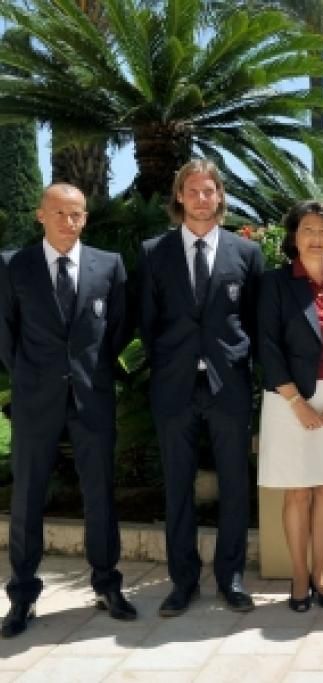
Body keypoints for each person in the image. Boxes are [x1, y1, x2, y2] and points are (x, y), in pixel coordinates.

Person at [0, 184, 134, 638]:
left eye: (76, 214)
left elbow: (115, 329)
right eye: (59, 213)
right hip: (35, 399)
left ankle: (107, 584)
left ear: (85, 219)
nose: (68, 222)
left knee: (100, 493)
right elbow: (5, 335)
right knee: (27, 499)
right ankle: (21, 596)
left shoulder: (108, 266)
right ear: (41, 215)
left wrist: (86, 371)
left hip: (91, 398)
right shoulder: (12, 265)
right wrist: (30, 375)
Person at [137, 160, 264, 617]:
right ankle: (183, 582)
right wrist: (172, 364)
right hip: (174, 389)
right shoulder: (154, 253)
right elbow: (148, 325)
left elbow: (251, 321)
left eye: (209, 190)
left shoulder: (245, 255)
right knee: (177, 487)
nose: (201, 198)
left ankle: (231, 579)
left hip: (228, 387)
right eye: (192, 190)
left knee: (234, 484)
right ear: (179, 197)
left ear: (220, 197)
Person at [257, 201, 323, 612]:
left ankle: (321, 574)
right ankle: (299, 577)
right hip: (288, 400)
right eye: (307, 229)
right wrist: (297, 403)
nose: (316, 238)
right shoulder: (275, 283)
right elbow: (267, 347)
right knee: (298, 492)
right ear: (294, 237)